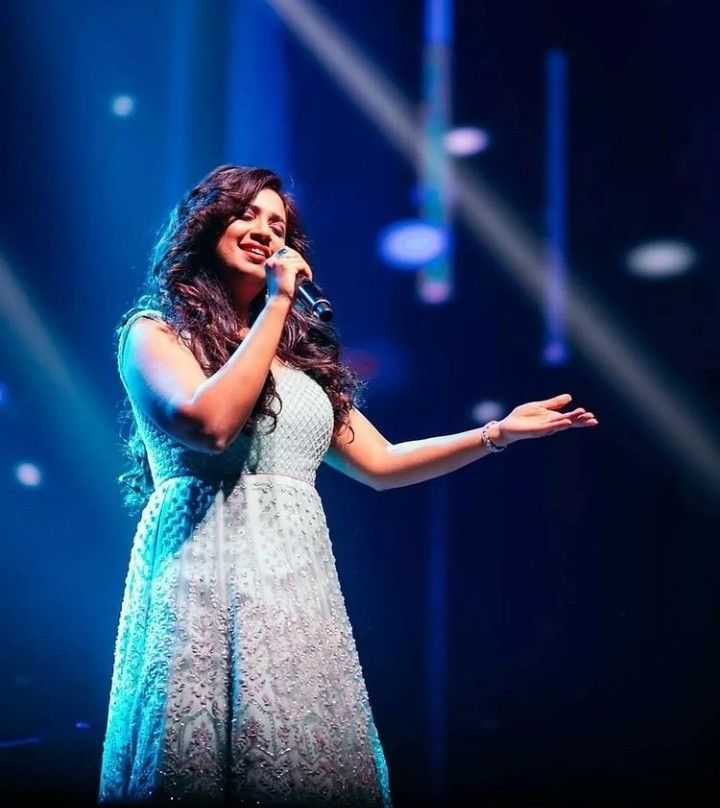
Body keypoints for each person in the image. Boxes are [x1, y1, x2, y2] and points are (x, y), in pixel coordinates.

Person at [98, 165, 598, 807]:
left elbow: (382, 463)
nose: (263, 231)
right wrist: (277, 303)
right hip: (204, 575)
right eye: (247, 214)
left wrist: (498, 433)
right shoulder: (156, 334)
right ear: (205, 225)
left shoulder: (296, 361)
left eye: (277, 224)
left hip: (293, 584)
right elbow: (211, 425)